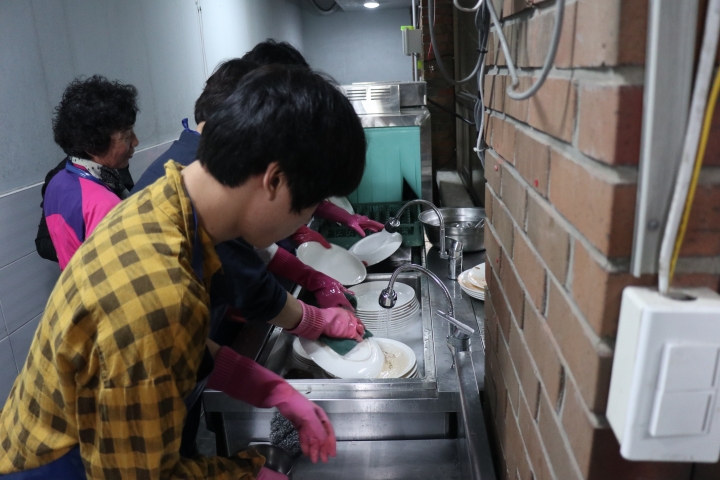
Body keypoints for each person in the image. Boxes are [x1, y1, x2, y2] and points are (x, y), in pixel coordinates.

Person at [0, 65, 367, 479]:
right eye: (312, 202)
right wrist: (247, 474)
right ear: (275, 181)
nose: (307, 217)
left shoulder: (162, 201)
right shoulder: (160, 290)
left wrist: (275, 390)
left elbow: (181, 342)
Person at [42, 75, 139, 269]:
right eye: (126, 136)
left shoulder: (57, 182)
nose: (135, 142)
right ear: (93, 144)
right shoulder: (104, 205)